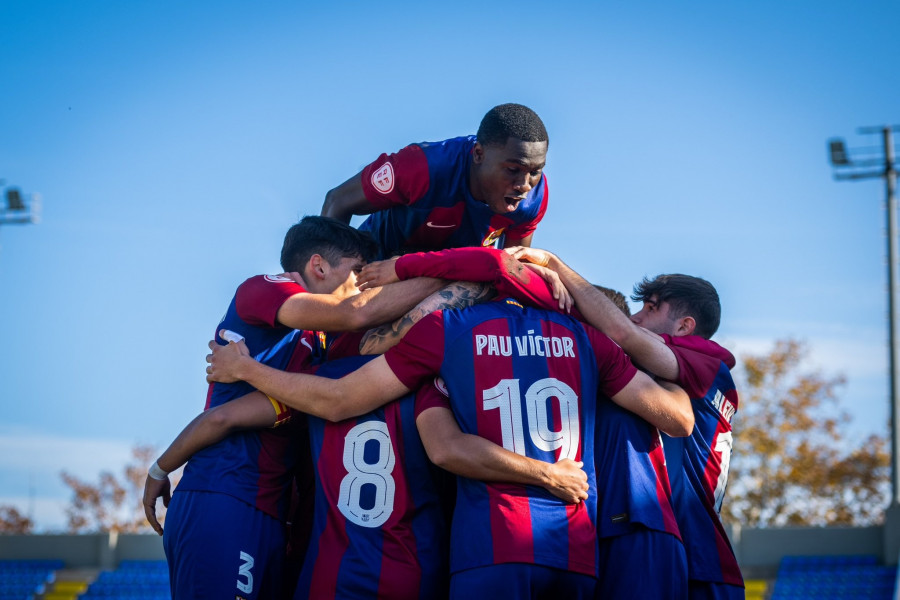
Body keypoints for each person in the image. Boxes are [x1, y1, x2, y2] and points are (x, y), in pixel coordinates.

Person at [206, 293, 694, 599]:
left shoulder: (445, 334)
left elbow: (340, 402)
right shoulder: (588, 339)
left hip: (488, 548)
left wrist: (245, 369)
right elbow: (678, 419)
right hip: (575, 551)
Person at [355, 246, 690, 598]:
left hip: (501, 544)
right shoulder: (589, 346)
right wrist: (678, 376)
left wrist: (403, 267)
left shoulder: (452, 340)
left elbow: (442, 446)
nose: (636, 321)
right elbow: (679, 418)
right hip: (583, 543)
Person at [143, 216, 445, 600]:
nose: (363, 285)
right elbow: (355, 311)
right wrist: (159, 468)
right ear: (318, 266)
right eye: (356, 272)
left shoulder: (314, 346)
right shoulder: (265, 289)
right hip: (225, 495)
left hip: (269, 512)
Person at [508, 247, 745, 600]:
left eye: (650, 308)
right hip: (692, 548)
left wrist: (554, 265)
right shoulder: (686, 371)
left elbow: (621, 332)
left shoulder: (707, 362)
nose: (636, 317)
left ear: (685, 327)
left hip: (696, 554)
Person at [321, 103, 550, 258]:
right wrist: (332, 290)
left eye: (535, 171)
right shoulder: (422, 167)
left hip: (450, 281)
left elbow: (512, 273)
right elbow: (337, 201)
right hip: (380, 264)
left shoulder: (533, 198)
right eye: (513, 169)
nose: (524, 185)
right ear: (478, 154)